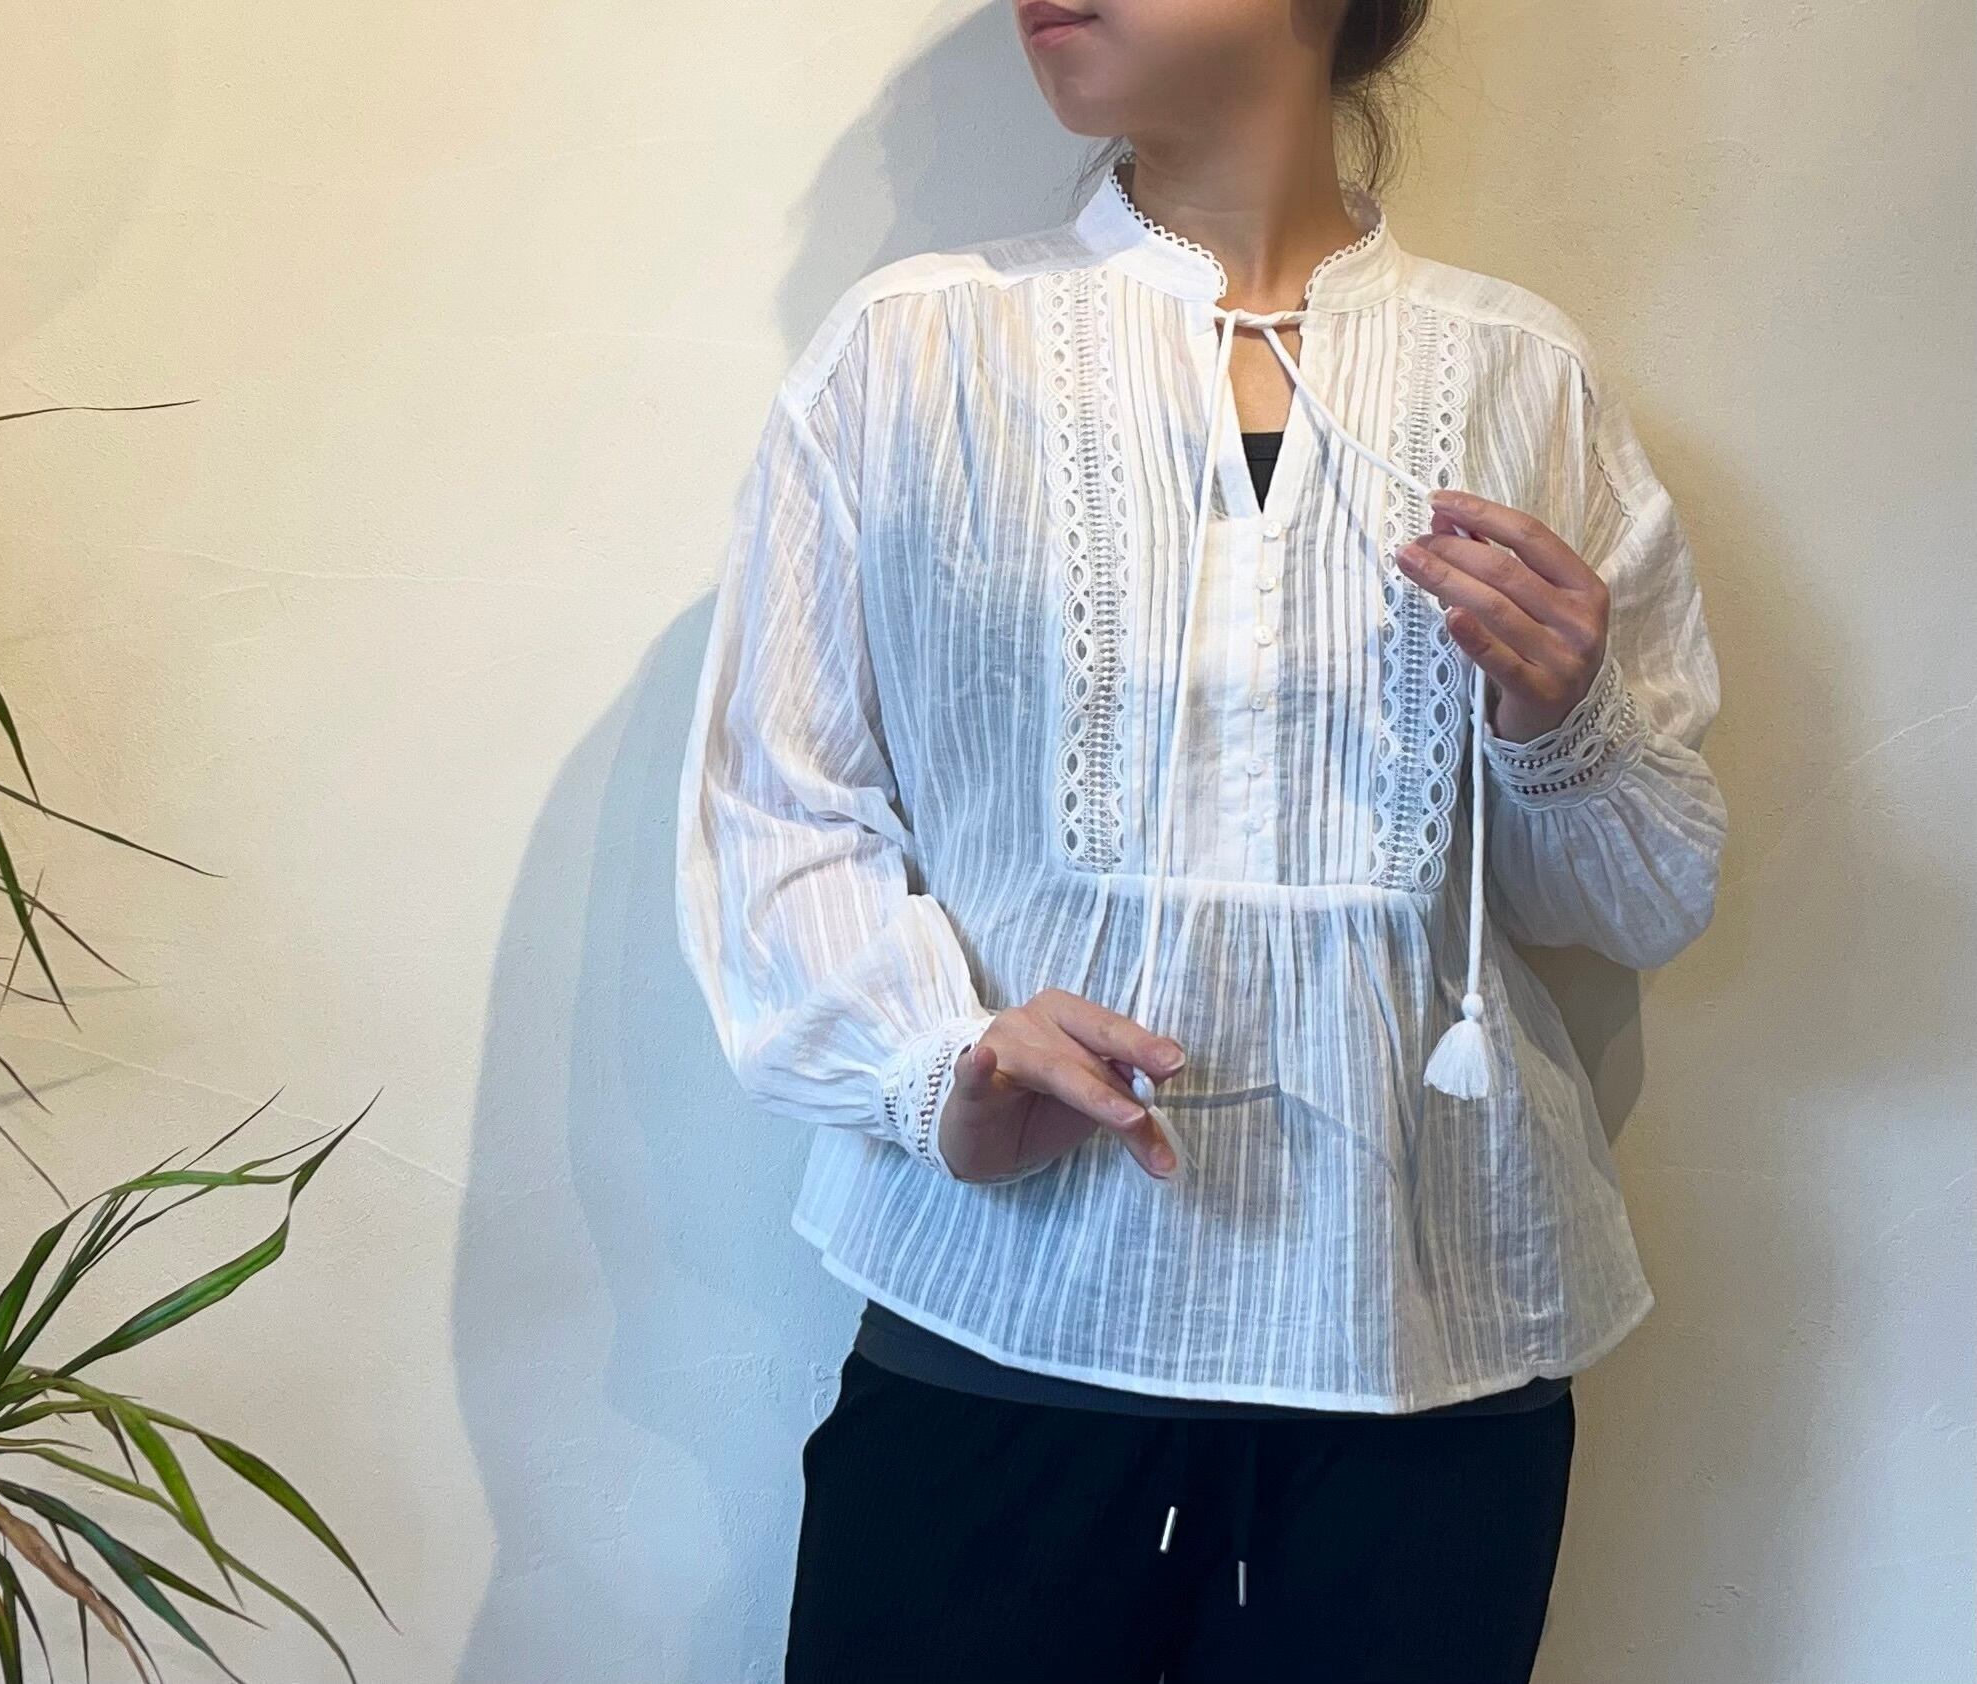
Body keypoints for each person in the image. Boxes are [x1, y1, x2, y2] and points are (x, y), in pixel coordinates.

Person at [672, 1, 1726, 1678]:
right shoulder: (916, 353)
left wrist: (1560, 719)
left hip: (1425, 1356)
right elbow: (776, 805)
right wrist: (933, 1067)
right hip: (1006, 1328)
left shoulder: (1520, 377)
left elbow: (1639, 900)